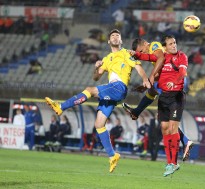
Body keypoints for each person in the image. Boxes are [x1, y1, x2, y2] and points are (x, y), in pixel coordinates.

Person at [45, 29, 151, 173]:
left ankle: (61, 107)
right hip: (112, 90)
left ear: (121, 41)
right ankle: (112, 155)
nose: (115, 37)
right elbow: (96, 78)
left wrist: (145, 79)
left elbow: (138, 67)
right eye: (112, 36)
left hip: (119, 87)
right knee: (99, 124)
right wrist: (96, 68)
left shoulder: (126, 53)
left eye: (117, 36)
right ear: (108, 41)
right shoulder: (107, 59)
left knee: (90, 90)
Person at [122, 37, 194, 161]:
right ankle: (186, 141)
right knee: (152, 92)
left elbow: (161, 59)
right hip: (169, 79)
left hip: (175, 81)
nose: (143, 54)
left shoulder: (154, 46)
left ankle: (183, 144)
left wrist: (150, 78)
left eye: (142, 51)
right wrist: (147, 84)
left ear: (145, 44)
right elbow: (161, 71)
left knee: (162, 115)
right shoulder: (153, 56)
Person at [147, 35, 188, 176]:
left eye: (174, 43)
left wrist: (175, 82)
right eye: (170, 44)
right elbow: (149, 58)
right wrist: (135, 54)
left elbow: (183, 72)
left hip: (177, 95)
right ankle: (169, 162)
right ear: (165, 47)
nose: (173, 45)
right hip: (164, 96)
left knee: (172, 128)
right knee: (164, 129)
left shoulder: (181, 56)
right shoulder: (163, 58)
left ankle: (174, 163)